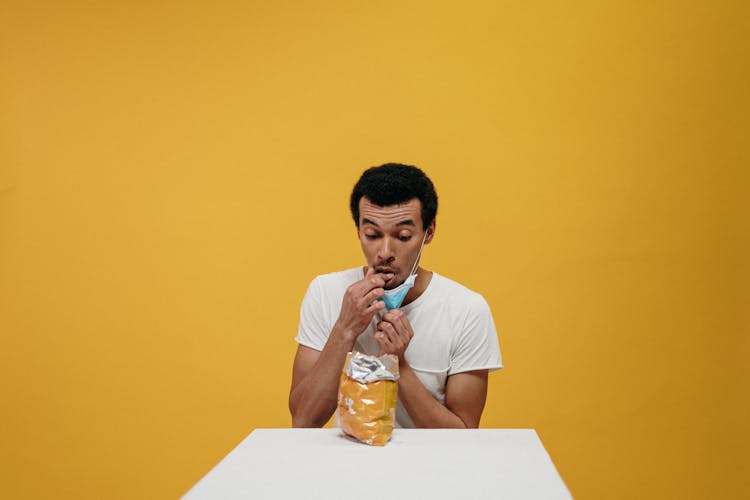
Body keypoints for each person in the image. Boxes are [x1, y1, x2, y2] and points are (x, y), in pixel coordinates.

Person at [289, 163, 503, 428]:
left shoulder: (467, 310)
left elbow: (463, 434)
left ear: (429, 232)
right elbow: (303, 420)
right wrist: (345, 329)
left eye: (403, 236)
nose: (385, 251)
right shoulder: (326, 292)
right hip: (347, 466)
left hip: (432, 469)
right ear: (358, 231)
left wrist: (398, 365)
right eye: (372, 235)